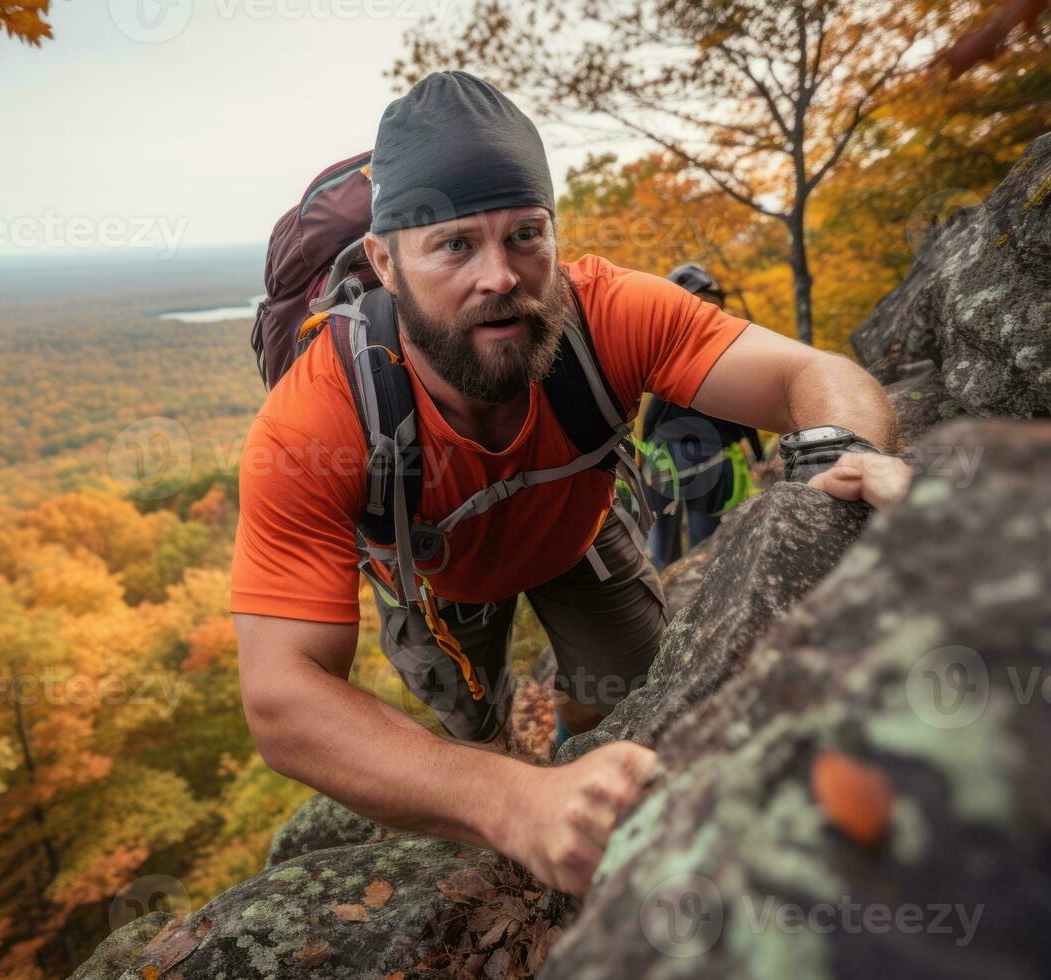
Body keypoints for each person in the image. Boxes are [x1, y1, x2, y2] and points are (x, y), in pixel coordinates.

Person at [231, 71, 911, 897]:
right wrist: (515, 804)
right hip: (440, 586)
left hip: (577, 538)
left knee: (624, 691)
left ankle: (572, 735)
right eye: (453, 245)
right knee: (474, 736)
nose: (500, 276)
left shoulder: (604, 311)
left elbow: (810, 373)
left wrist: (840, 450)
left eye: (525, 235)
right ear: (383, 262)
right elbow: (281, 699)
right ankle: (517, 778)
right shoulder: (318, 416)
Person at [641, 264, 766, 570]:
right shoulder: (731, 351)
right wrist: (759, 456)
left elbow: (653, 414)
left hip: (666, 455)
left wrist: (643, 454)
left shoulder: (669, 352)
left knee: (660, 553)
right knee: (703, 553)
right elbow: (744, 415)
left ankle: (664, 610)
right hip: (708, 458)